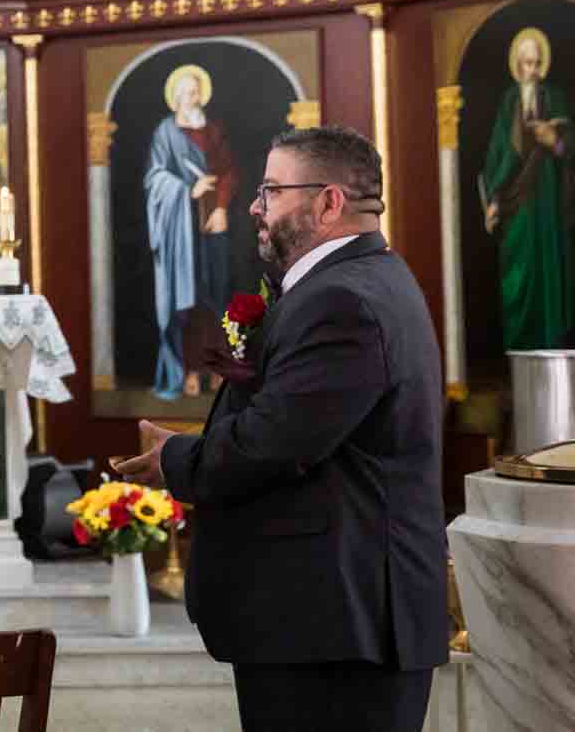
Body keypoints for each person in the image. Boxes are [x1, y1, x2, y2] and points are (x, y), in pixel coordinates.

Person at [113, 126, 448, 732]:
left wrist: (177, 461)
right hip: (325, 618)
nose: (253, 206)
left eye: (270, 190)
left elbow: (276, 442)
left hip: (335, 625)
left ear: (328, 203)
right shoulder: (358, 282)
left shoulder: (343, 299)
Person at [479, 27, 575, 350]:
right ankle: (519, 350)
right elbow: (497, 152)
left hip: (548, 199)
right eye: (525, 64)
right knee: (518, 270)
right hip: (515, 203)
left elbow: (574, 149)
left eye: (536, 64)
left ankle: (552, 346)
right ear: (516, 66)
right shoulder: (509, 101)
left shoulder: (555, 97)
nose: (531, 71)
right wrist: (494, 197)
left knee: (548, 270)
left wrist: (555, 142)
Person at [144, 64, 236, 399]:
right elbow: (155, 180)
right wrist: (186, 190)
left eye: (195, 91)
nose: (191, 97)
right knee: (189, 297)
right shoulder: (164, 133)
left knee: (217, 293)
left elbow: (227, 172)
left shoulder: (212, 130)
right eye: (184, 92)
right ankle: (190, 369)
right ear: (174, 99)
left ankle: (217, 367)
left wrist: (222, 207)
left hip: (212, 221)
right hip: (179, 232)